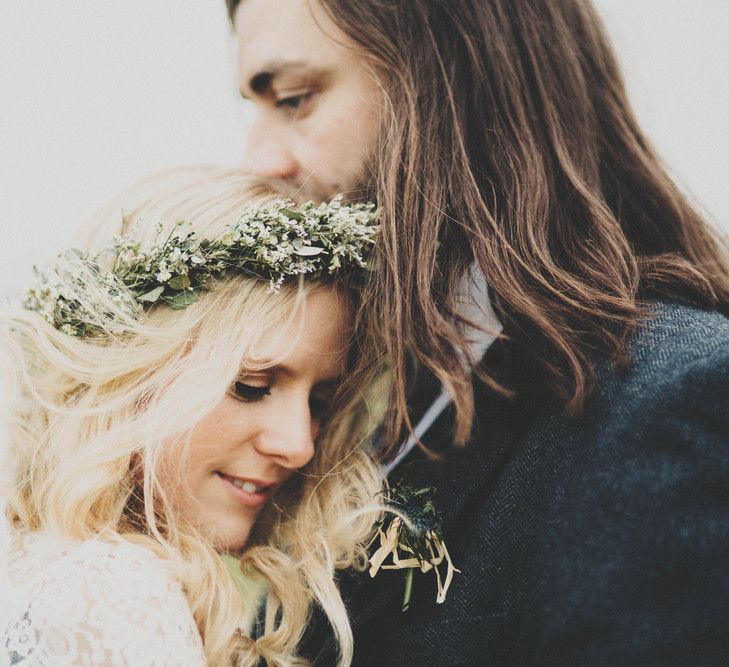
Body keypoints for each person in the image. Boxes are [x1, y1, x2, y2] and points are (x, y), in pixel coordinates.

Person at [228, 0, 729, 664]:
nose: (258, 160)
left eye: (293, 97)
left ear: (448, 80)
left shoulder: (670, 399)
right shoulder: (357, 405)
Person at [0, 166, 386, 666]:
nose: (299, 445)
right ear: (129, 371)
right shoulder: (114, 595)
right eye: (250, 387)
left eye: (319, 404)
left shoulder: (38, 556)